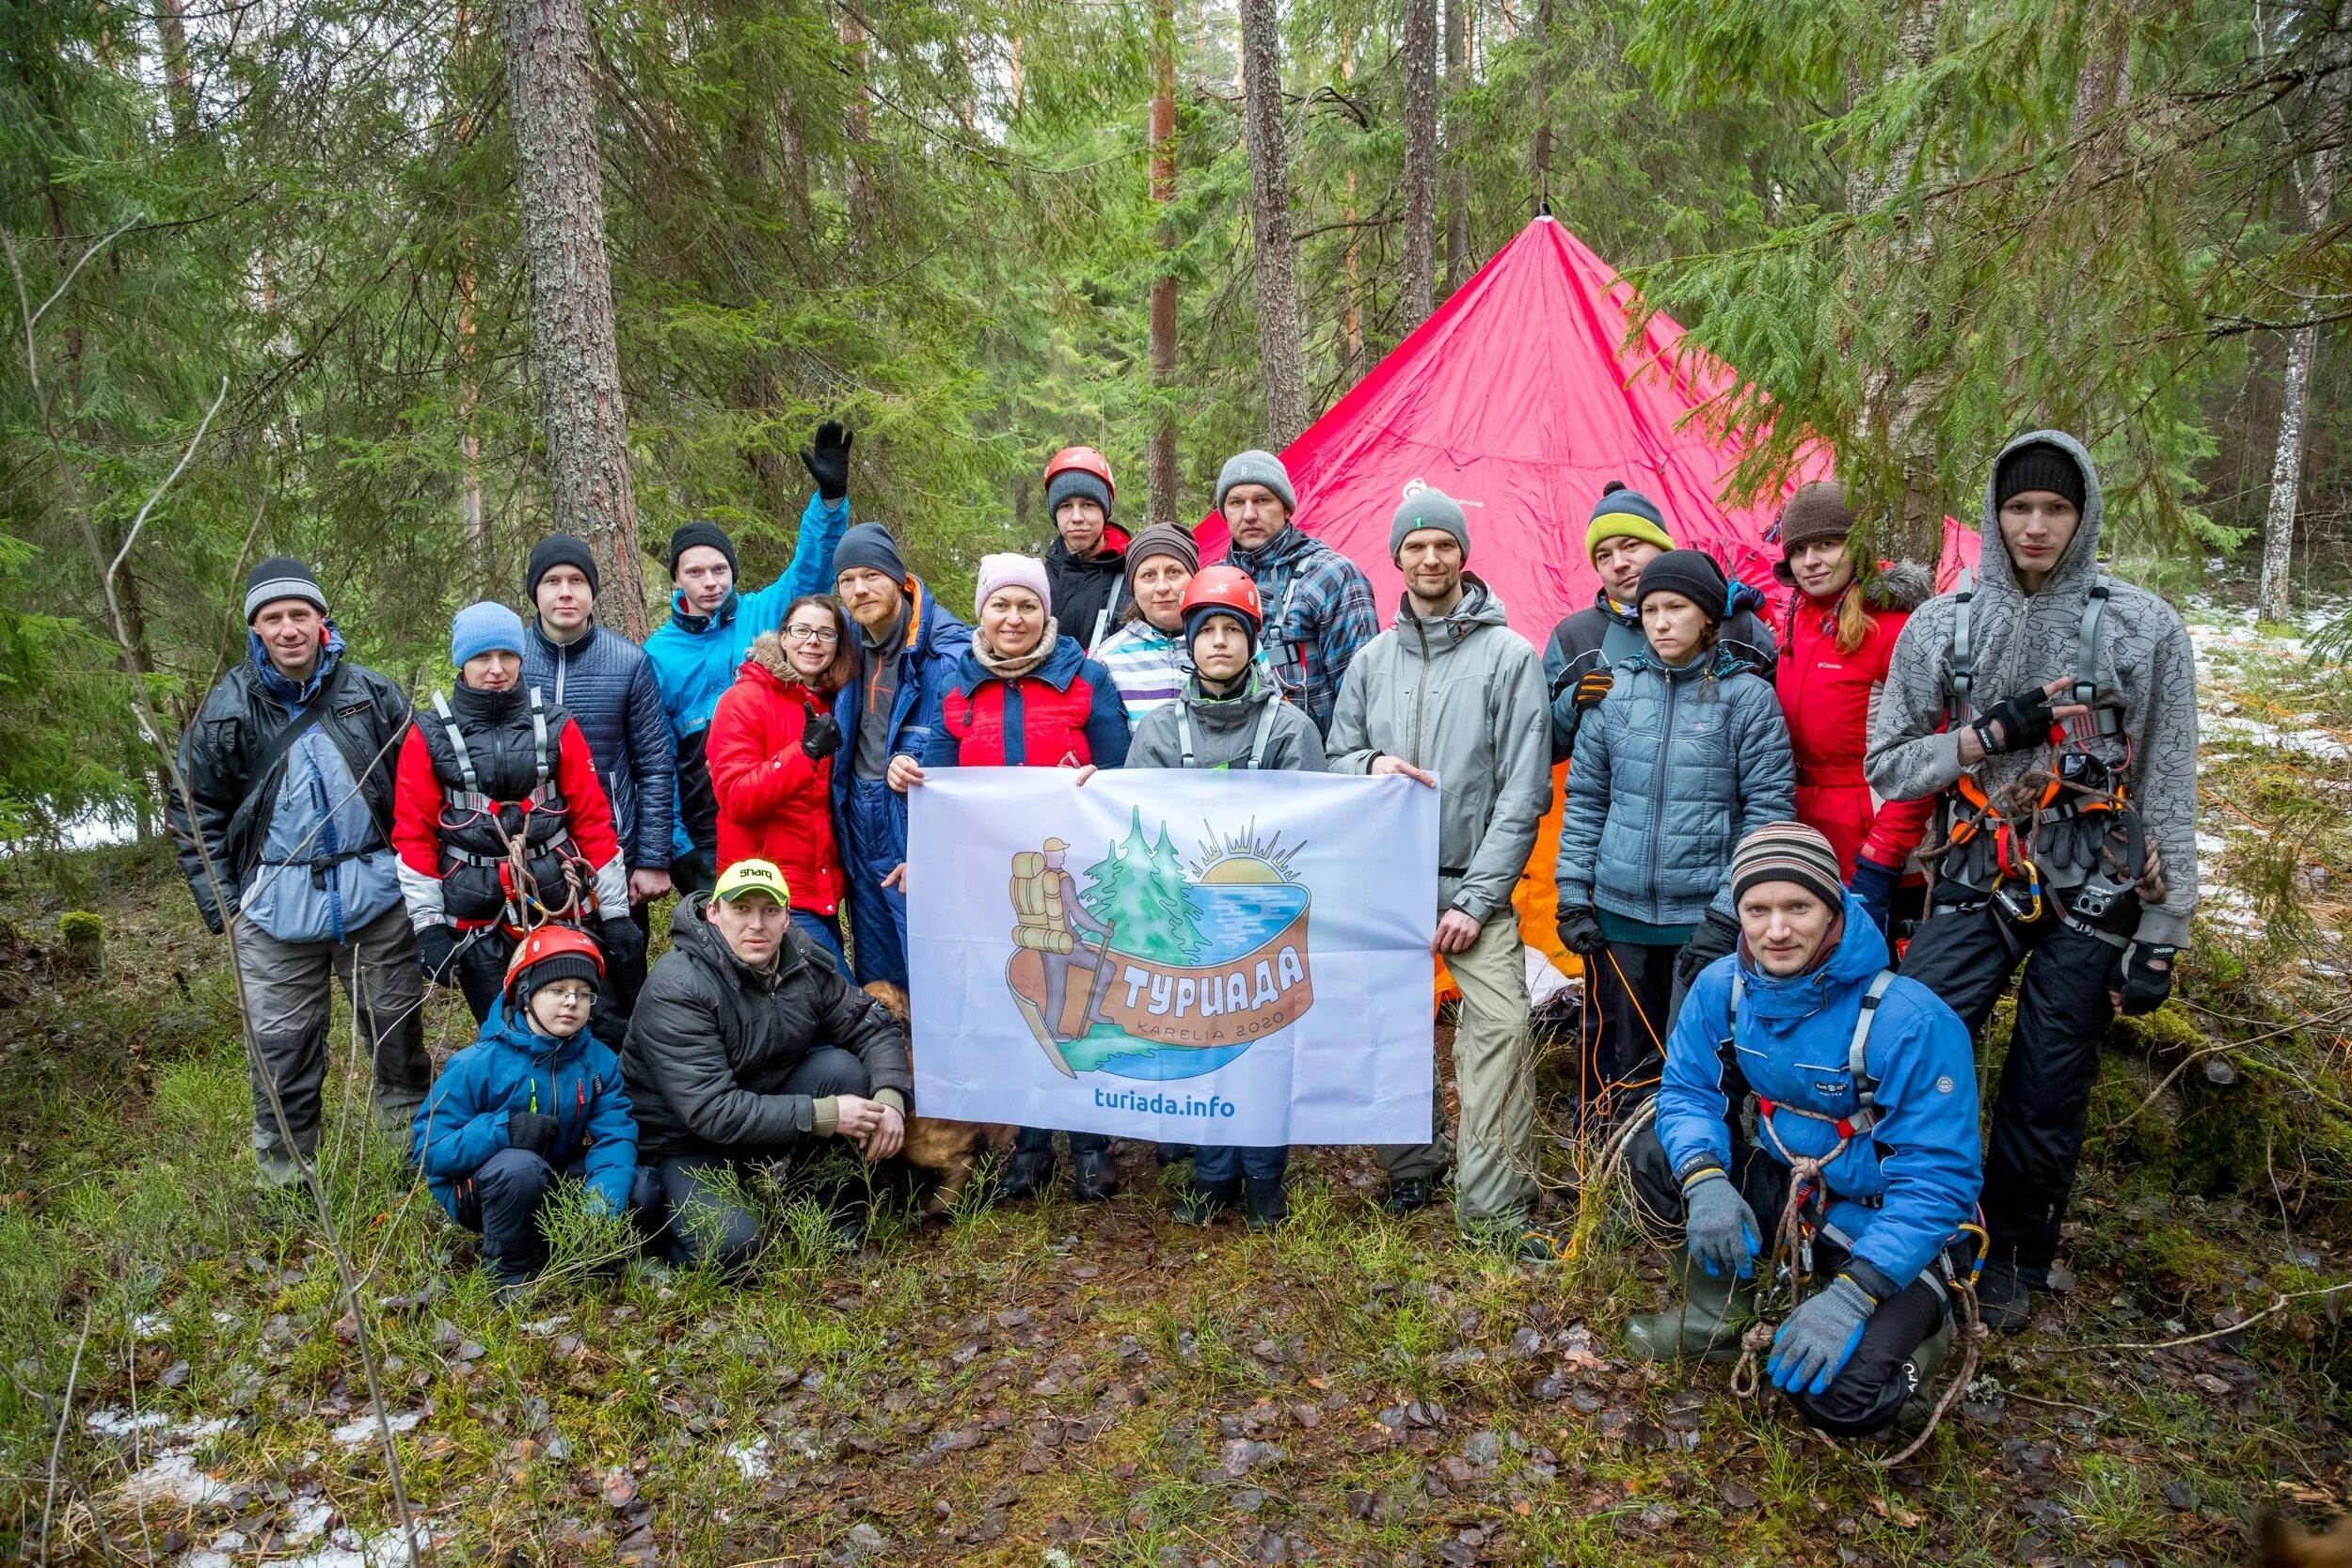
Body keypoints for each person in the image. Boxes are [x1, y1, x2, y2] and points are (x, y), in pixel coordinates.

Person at [1866, 431, 2198, 1330]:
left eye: (2056, 508)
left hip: (2096, 881)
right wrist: (1982, 738)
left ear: (2084, 512)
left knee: (2051, 1078)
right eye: (2020, 508)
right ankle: (1898, 1221)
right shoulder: (1945, 622)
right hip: (1977, 865)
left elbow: (2168, 779)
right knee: (1913, 1038)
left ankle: (2016, 1253)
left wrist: (2163, 936)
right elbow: (1890, 766)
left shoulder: (2145, 626)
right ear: (1994, 513)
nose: (2037, 526)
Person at [1624, 824, 1980, 1439]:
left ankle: (1924, 1335)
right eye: (1757, 909)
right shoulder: (1722, 989)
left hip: (1892, 1222)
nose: (1776, 929)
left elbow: (1937, 1182)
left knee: (1837, 1395)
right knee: (1657, 1153)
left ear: (1834, 909)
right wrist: (1706, 1179)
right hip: (1797, 1190)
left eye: (1798, 907)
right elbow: (1686, 1092)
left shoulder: (1910, 1019)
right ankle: (1718, 1308)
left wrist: (1856, 1294)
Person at [1325, 489, 1555, 1251]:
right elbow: (1337, 758)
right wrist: (1370, 762)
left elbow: (1523, 790)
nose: (1430, 559)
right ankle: (1411, 1163)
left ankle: (1491, 1202)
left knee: (1497, 1030)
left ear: (1463, 555)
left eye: (1443, 546)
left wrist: (1479, 897)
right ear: (1397, 558)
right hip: (1386, 884)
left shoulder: (1510, 657)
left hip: (1473, 885)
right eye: (1416, 547)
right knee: (1389, 1028)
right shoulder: (1370, 661)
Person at [168, 558, 431, 1185]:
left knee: (397, 1038)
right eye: (272, 617)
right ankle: (288, 1183)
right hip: (271, 913)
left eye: (299, 614)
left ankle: (410, 1164)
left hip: (376, 900)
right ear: (255, 628)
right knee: (283, 1054)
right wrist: (226, 909)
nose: (288, 628)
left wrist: (417, 884)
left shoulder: (371, 694)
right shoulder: (225, 710)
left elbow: (418, 788)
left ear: (322, 621)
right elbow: (192, 810)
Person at [900, 553, 1131, 1200]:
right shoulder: (956, 682)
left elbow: (1124, 773)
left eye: (1027, 605)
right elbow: (938, 784)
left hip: (1072, 870)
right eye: (1001, 604)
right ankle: (1029, 1145)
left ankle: (1090, 1141)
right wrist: (907, 778)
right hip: (992, 883)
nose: (1014, 617)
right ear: (982, 611)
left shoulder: (1086, 677)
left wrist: (1089, 781)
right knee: (1018, 1002)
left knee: (1076, 1002)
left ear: (1046, 611)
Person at [1553, 549, 1796, 1111]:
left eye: (1676, 608)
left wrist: (1730, 910)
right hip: (1620, 914)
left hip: (1703, 921)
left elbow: (1767, 810)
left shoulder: (1747, 698)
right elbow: (1587, 797)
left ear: (1708, 616)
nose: (1661, 622)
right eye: (1651, 609)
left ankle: (1697, 1176)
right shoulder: (1615, 691)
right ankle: (1614, 1171)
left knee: (1700, 1057)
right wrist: (1571, 896)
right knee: (1622, 1054)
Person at [1128, 565, 1327, 1229]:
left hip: (1265, 921)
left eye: (1230, 631)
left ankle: (1266, 1177)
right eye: (1205, 630)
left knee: (1265, 1044)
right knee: (1203, 1042)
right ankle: (1214, 1175)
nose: (1218, 643)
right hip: (1191, 920)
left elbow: (1314, 829)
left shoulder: (1292, 729)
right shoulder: (1157, 731)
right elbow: (1132, 821)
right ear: (1188, 643)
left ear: (1252, 643)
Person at [620, 860, 914, 1273]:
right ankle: (648, 1237)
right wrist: (824, 1115)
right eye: (741, 909)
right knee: (733, 1249)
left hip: (760, 1111)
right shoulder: (678, 987)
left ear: (786, 917)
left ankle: (821, 1210)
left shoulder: (802, 961)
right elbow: (710, 1111)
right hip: (682, 1141)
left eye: (769, 911)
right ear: (714, 913)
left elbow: (872, 1025)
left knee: (844, 1070)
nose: (756, 924)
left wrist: (890, 1100)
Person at [392, 603, 642, 1039]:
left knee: (590, 1023)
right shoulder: (427, 734)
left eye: (507, 656)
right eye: (481, 658)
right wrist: (429, 928)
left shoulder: (557, 725)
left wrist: (617, 914)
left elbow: (593, 820)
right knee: (505, 1033)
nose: (496, 669)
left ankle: (601, 1102)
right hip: (475, 916)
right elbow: (413, 835)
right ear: (461, 662)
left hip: (559, 904)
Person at [644, 420, 854, 896]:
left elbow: (811, 565)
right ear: (678, 579)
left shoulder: (765, 612)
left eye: (720, 569)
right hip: (704, 822)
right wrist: (675, 848)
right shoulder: (658, 654)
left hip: (779, 806)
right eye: (695, 572)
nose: (711, 581)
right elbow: (657, 756)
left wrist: (829, 502)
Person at [411, 925, 657, 1297]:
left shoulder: (600, 1062)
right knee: (519, 1168)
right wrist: (501, 1131)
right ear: (525, 994)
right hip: (482, 1189)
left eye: (583, 993)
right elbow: (429, 1153)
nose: (571, 1002)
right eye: (556, 990)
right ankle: (511, 1275)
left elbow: (615, 1138)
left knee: (643, 1185)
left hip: (552, 1178)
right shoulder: (475, 1064)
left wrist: (599, 1210)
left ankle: (579, 1255)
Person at [1771, 483, 1936, 935]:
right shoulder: (1796, 619)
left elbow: (1921, 759)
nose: (1811, 561)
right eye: (1800, 548)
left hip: (1878, 836)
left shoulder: (1895, 628)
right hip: (1808, 829)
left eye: (1827, 544)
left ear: (1857, 546)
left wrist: (1883, 856)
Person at [520, 533, 677, 1000]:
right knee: (541, 989)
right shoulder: (508, 661)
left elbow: (654, 765)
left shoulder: (628, 662)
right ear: (536, 592)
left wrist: (650, 859)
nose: (565, 592)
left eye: (576, 581)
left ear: (592, 591)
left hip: (613, 858)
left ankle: (624, 1073)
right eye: (552, 581)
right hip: (529, 857)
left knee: (621, 991)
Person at [829, 521, 973, 996]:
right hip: (856, 811)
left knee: (930, 953)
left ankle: (943, 1064)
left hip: (910, 811)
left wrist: (928, 839)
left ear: (898, 577)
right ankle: (894, 1064)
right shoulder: (846, 642)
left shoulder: (944, 650)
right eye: (847, 580)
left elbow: (959, 747)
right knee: (877, 960)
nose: (859, 589)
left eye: (870, 575)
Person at [1543, 483, 1778, 765]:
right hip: (1619, 805)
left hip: (1717, 804)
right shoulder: (1574, 639)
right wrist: (1572, 703)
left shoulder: (1733, 623)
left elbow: (1782, 731)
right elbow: (1539, 747)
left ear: (1663, 546)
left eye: (1631, 546)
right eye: (1603, 556)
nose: (1618, 563)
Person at [707, 597, 856, 973]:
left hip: (821, 889)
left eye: (826, 634)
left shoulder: (834, 702)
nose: (813, 642)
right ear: (784, 638)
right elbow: (737, 798)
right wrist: (803, 754)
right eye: (802, 631)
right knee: (844, 1008)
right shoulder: (744, 700)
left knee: (809, 1013)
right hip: (768, 893)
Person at [1214, 449, 1378, 737]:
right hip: (1230, 765)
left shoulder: (1332, 576)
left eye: (1262, 500)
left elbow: (1363, 694)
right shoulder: (1212, 581)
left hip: (1313, 767)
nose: (1249, 514)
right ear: (1224, 511)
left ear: (1286, 508)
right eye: (1236, 502)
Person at [1095, 523, 1200, 726]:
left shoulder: (1231, 643)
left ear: (1194, 578)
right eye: (1148, 575)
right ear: (1133, 587)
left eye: (1174, 572)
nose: (1162, 587)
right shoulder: (1108, 660)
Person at [1040, 446, 1132, 656]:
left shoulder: (1132, 577)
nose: (1077, 517)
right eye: (1065, 506)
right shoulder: (1040, 580)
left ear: (1105, 510)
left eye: (1088, 504)